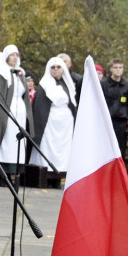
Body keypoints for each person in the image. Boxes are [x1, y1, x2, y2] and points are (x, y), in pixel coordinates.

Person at [0, 45, 33, 179]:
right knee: (4, 141)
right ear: (6, 57)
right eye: (12, 55)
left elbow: (24, 95)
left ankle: (13, 172)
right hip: (6, 113)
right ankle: (0, 172)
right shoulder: (0, 73)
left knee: (16, 143)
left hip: (19, 113)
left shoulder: (20, 73)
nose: (15, 58)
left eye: (17, 55)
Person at [29, 56, 77, 187]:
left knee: (63, 151)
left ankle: (58, 176)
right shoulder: (45, 85)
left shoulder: (68, 84)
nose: (56, 70)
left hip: (65, 125)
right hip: (50, 124)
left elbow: (72, 104)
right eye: (53, 67)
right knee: (48, 148)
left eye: (58, 67)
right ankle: (47, 176)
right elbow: (39, 108)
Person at [101, 58, 128, 159]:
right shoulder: (104, 85)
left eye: (120, 67)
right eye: (115, 67)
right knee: (106, 153)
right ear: (111, 69)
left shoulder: (127, 85)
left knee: (120, 152)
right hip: (107, 123)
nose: (118, 70)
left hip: (121, 123)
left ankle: (119, 175)